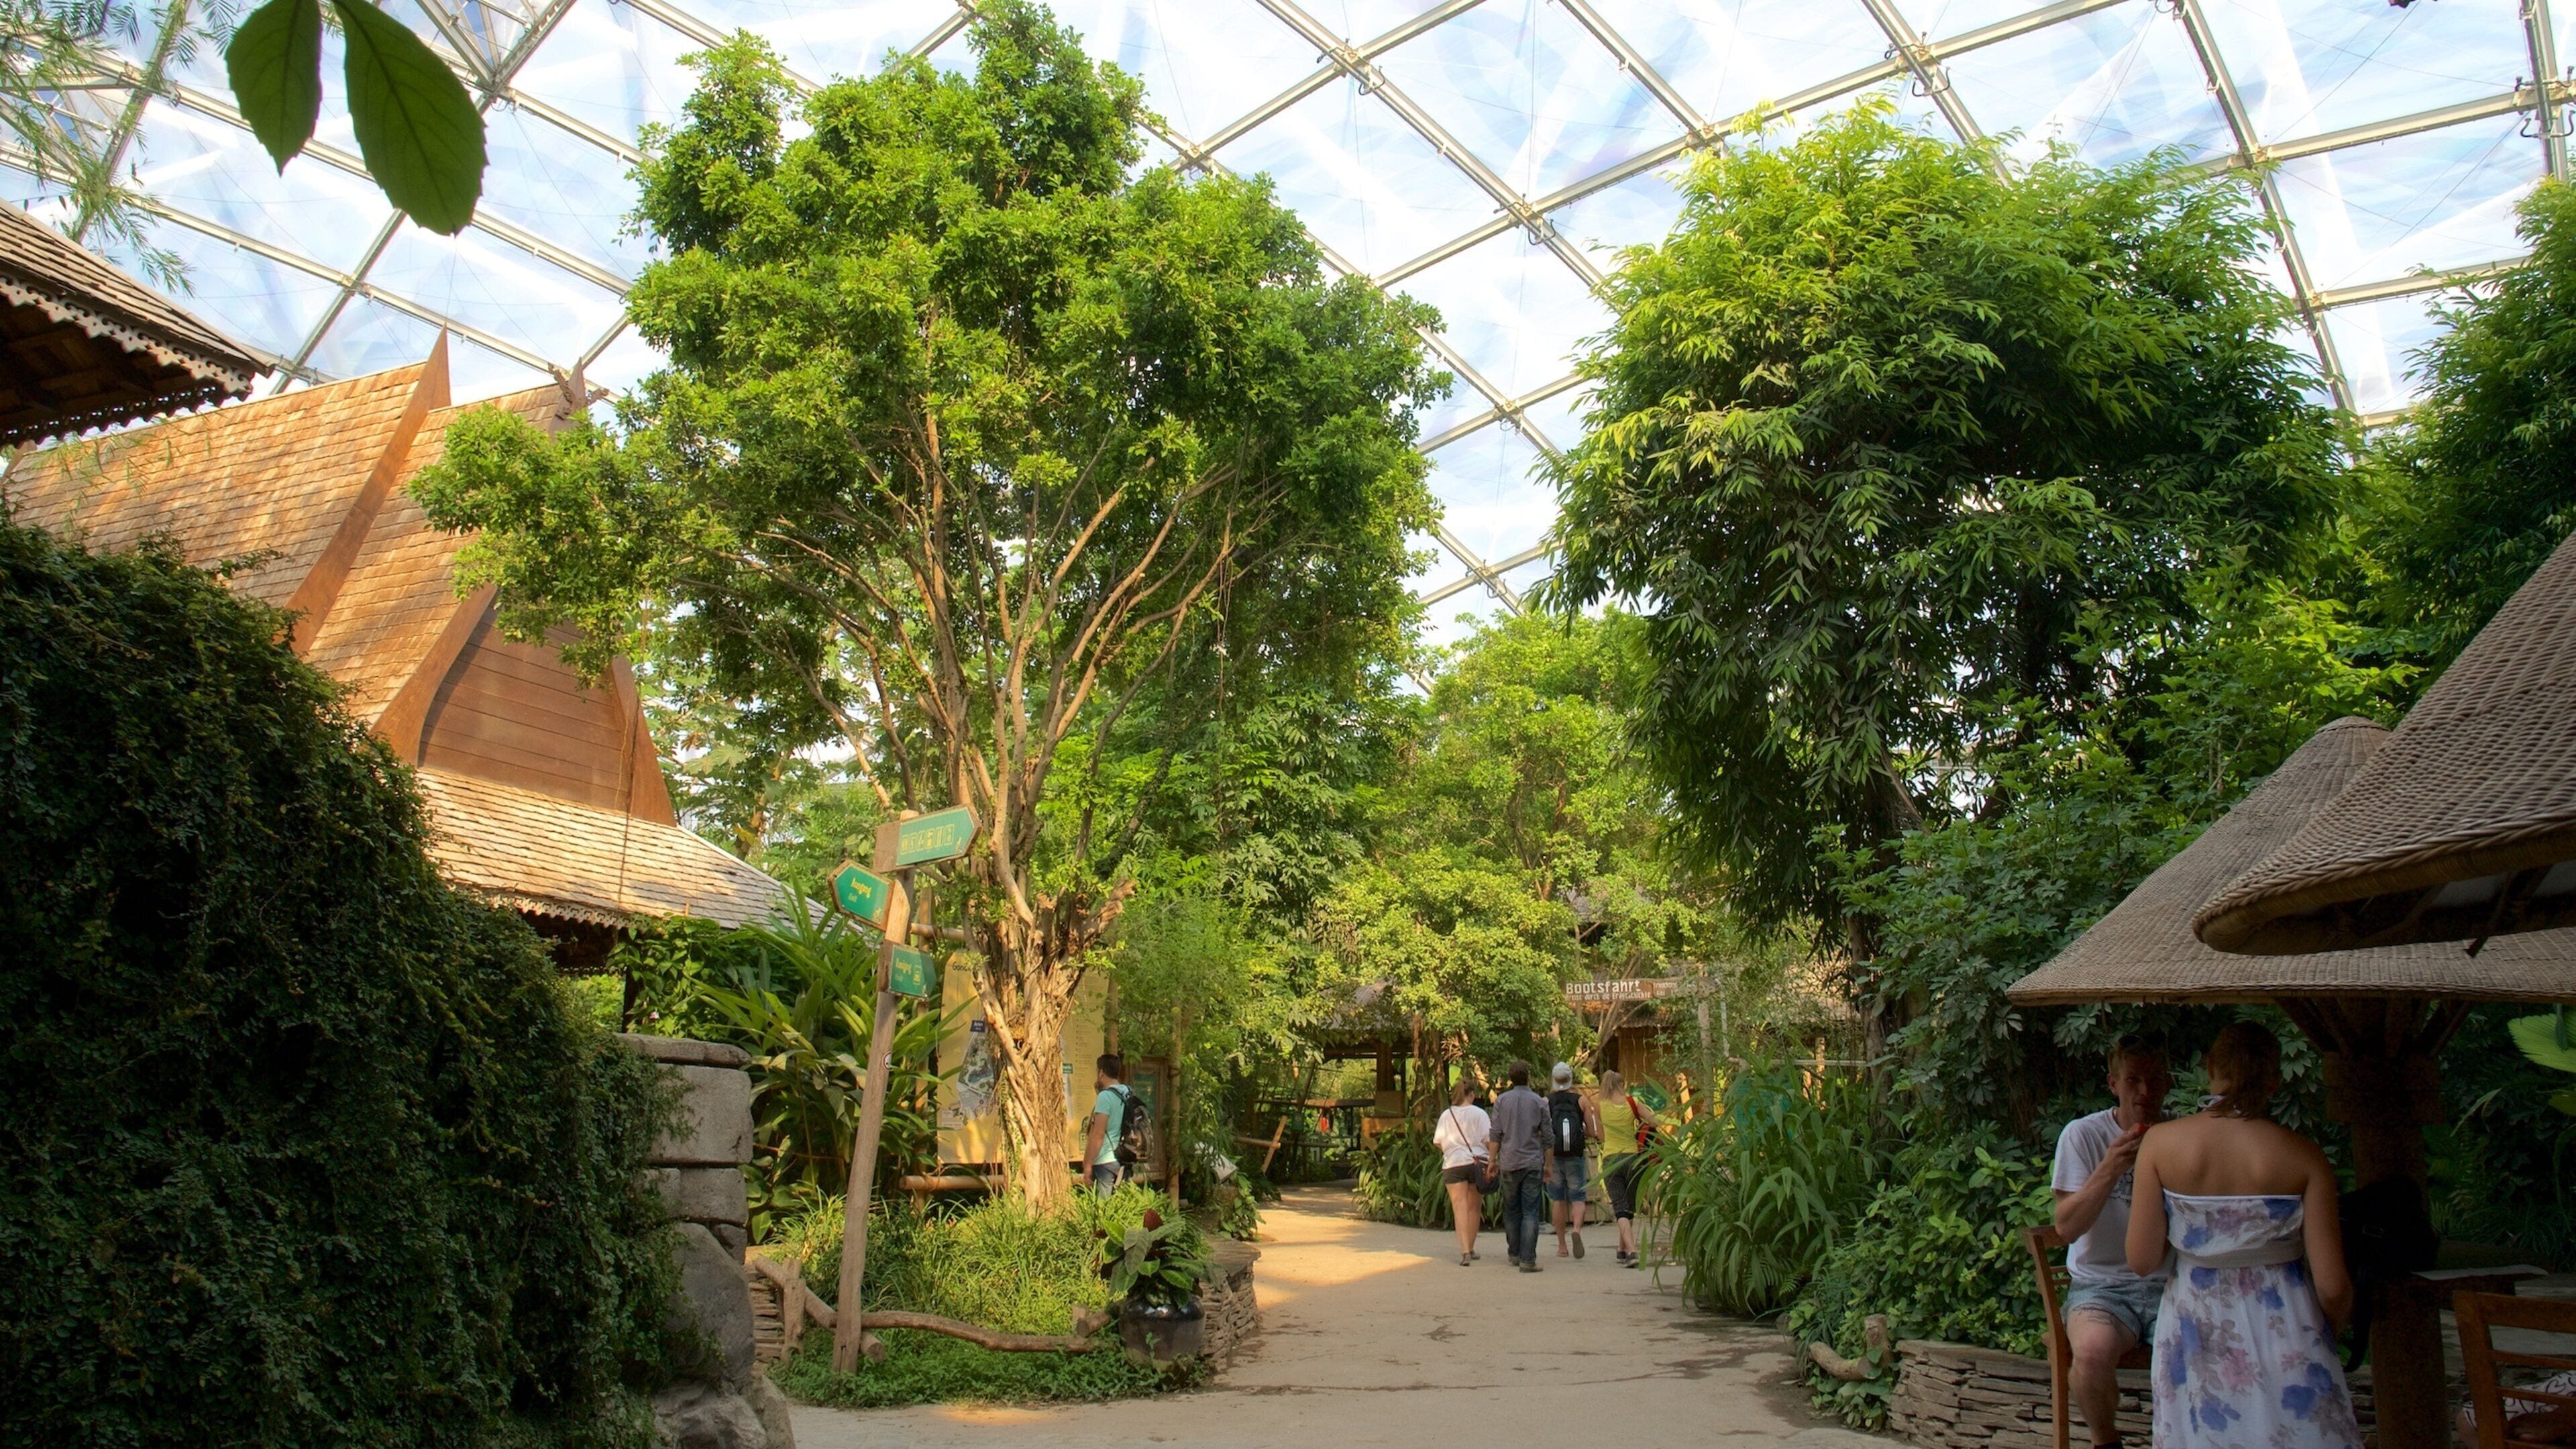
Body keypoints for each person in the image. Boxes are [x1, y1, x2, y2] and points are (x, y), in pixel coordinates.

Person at [2127, 1022, 2361, 1449]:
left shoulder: (2160, 1144)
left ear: (2210, 1067)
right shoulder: (2304, 1155)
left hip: (2196, 1330)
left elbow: (2142, 1260)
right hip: (2287, 1325)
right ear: (2274, 1079)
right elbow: (2333, 1286)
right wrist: (2324, 1331)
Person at [2051, 1034, 2173, 1448]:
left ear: (2168, 1083)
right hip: (2101, 1287)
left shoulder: (2182, 1134)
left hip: (2175, 1284)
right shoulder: (2082, 1136)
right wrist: (2110, 1168)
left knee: (2213, 1348)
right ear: (2113, 1084)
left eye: (2154, 1079)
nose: (2145, 1091)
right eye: (2133, 1079)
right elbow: (2066, 1228)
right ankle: (2106, 1443)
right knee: (2090, 1353)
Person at [1487, 1060, 1550, 1272]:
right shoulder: (1539, 1102)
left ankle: (1514, 1254)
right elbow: (1548, 1137)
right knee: (1531, 1211)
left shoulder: (1502, 1101)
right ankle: (1527, 1259)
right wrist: (1549, 1165)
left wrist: (1492, 1160)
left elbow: (1495, 1133)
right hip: (1532, 1162)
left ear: (1511, 1079)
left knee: (1512, 1209)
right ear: (1528, 1077)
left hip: (1509, 1162)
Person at [1594, 1069, 1658, 1267]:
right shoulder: (1633, 1103)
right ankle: (1623, 1249)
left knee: (1620, 1208)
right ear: (1622, 1085)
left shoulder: (1599, 1106)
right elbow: (1654, 1121)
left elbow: (1601, 1137)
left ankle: (1631, 1251)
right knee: (1628, 1207)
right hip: (1633, 1159)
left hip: (1611, 1159)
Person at [1432, 1079, 1492, 1267]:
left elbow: (1438, 1142)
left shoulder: (1446, 1115)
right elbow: (1488, 1140)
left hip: (1454, 1164)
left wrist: (1452, 1151)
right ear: (1471, 1094)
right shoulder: (1480, 1114)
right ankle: (1471, 1248)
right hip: (1477, 1163)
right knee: (1474, 1207)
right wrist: (1493, 1159)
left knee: (1459, 1207)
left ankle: (1465, 1251)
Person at [1544, 1061, 1599, 1259]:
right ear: (1570, 1079)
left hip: (1554, 1156)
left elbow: (1542, 1130)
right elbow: (1592, 1131)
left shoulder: (1546, 1101)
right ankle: (1576, 1229)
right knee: (1578, 1197)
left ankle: (1562, 1246)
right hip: (1575, 1155)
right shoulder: (1581, 1100)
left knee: (1558, 1199)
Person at [1084, 1053, 1130, 1197]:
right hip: (1124, 1158)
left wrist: (1088, 1165)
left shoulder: (1105, 1096)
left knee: (1103, 1208)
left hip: (1105, 1160)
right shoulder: (1128, 1092)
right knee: (1120, 1206)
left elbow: (1098, 1135)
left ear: (1101, 1072)